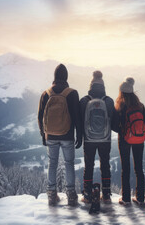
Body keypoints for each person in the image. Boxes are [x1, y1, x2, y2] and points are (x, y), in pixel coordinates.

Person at [37, 64, 82, 206]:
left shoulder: (46, 93)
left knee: (52, 163)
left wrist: (43, 134)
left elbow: (40, 116)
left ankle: (51, 195)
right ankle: (71, 196)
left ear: (54, 76)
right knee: (69, 164)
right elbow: (77, 117)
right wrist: (79, 135)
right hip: (67, 135)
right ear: (66, 76)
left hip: (50, 135)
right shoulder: (72, 93)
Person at [79, 71, 115, 204]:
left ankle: (87, 195)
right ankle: (106, 195)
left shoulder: (84, 100)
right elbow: (114, 122)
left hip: (88, 139)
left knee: (88, 165)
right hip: (105, 139)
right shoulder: (109, 101)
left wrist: (80, 136)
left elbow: (79, 120)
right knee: (105, 165)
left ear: (91, 84)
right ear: (103, 85)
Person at [112, 77, 145, 205]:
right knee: (139, 168)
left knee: (125, 169)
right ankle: (140, 198)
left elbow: (114, 125)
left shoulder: (120, 106)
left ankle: (126, 198)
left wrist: (124, 132)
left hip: (124, 140)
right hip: (139, 140)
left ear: (121, 92)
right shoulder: (140, 105)